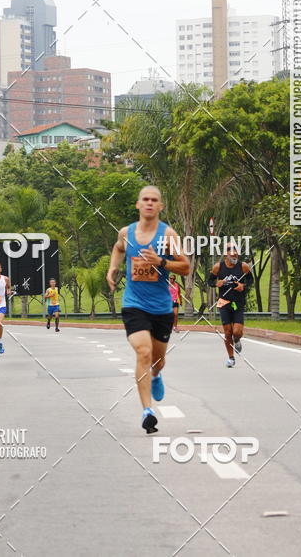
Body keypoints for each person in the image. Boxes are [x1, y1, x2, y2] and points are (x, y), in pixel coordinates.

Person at [107, 186, 190, 434]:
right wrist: (112, 269)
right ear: (138, 204)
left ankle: (156, 375)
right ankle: (147, 411)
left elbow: (185, 267)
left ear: (160, 206)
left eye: (155, 200)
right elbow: (118, 248)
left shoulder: (168, 235)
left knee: (158, 360)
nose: (150, 204)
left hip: (162, 307)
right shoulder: (127, 232)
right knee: (143, 352)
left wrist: (161, 262)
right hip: (134, 304)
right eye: (145, 199)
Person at [208, 245, 254, 367]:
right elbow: (210, 281)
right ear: (226, 255)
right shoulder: (218, 267)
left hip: (238, 302)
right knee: (228, 332)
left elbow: (250, 281)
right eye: (232, 255)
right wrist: (216, 283)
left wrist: (243, 286)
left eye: (236, 255)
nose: (235, 257)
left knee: (237, 331)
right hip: (224, 302)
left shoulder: (243, 266)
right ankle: (231, 358)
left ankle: (237, 340)